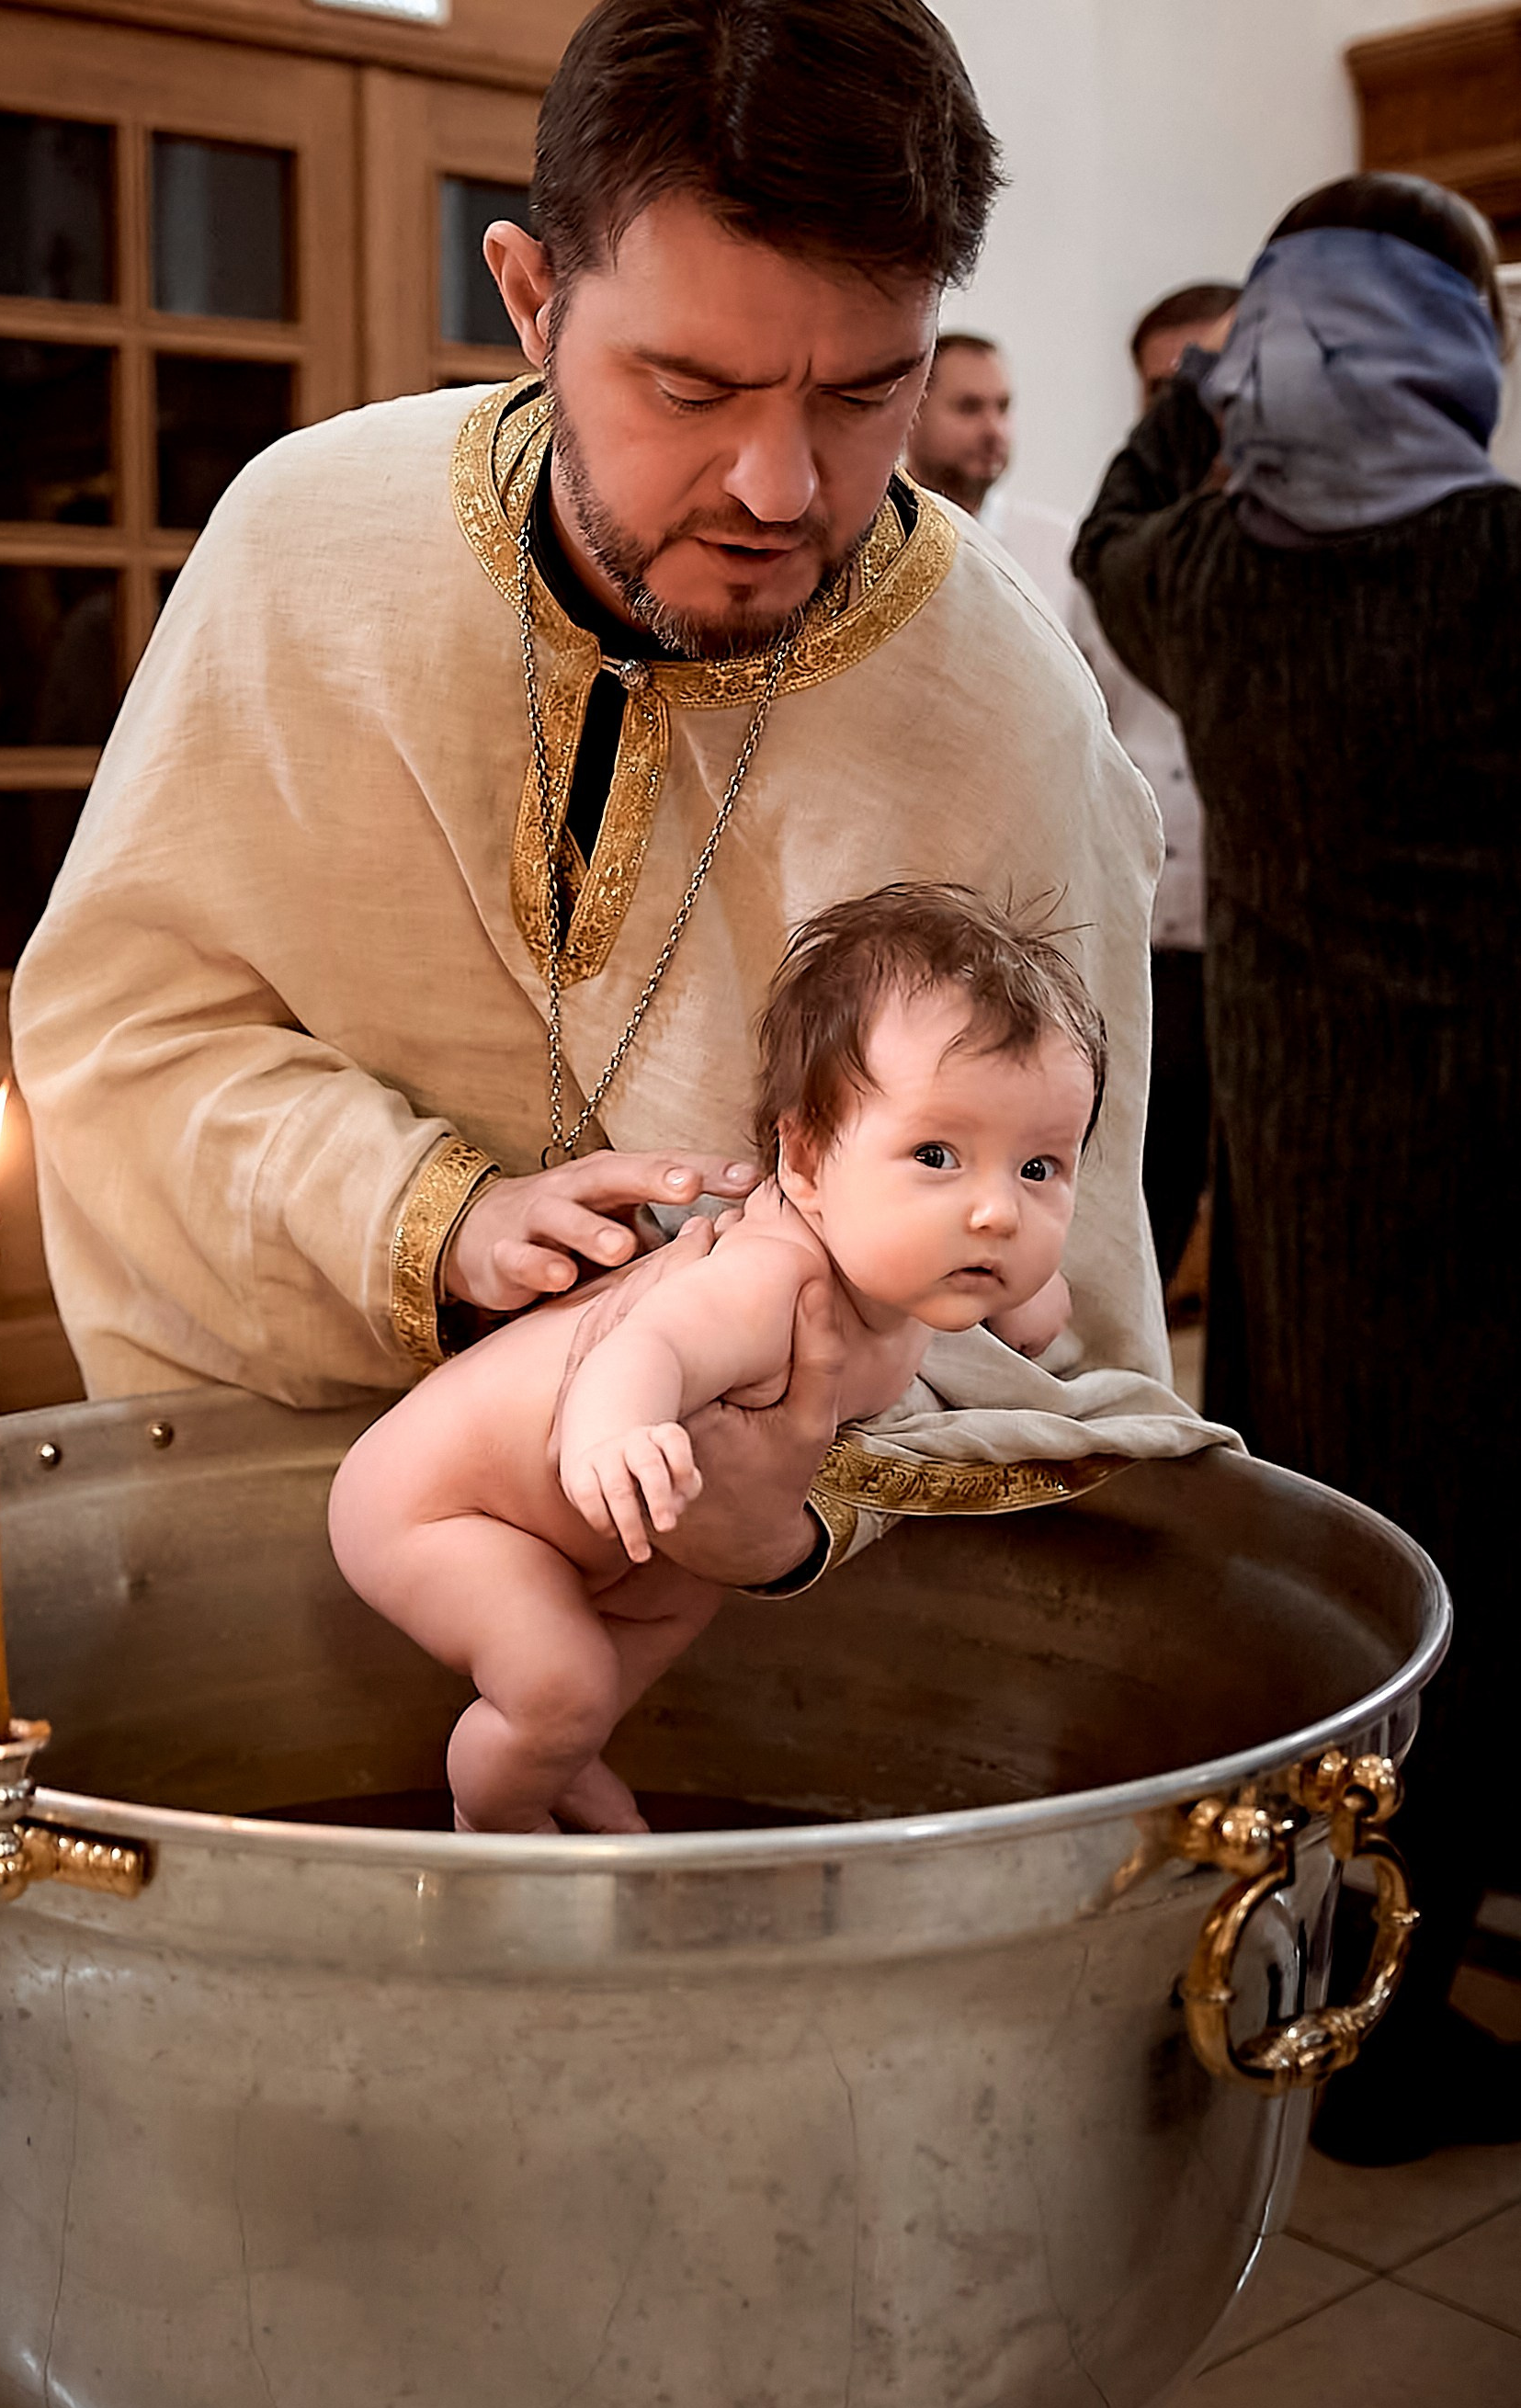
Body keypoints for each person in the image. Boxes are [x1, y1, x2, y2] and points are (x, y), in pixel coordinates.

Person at [16, 0, 1209, 2408]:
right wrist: (429, 1222)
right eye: (686, 384)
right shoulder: (308, 557)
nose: (779, 488)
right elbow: (126, 1041)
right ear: (528, 297)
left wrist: (871, 1466)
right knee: (329, 2380)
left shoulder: (998, 712)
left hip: (789, 1695)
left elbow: (1054, 1308)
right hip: (356, 1604)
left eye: (859, 390)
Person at [1073, 171, 1521, 2168]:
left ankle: (1339, 1964)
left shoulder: (1208, 585)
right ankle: (1397, 2040)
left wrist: (1222, 392)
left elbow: (1104, 521)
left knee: (1368, 1571)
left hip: (1306, 1175)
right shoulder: (1504, 559)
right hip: (1500, 1159)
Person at [334, 887, 1119, 1834]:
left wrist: (1028, 1293)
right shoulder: (768, 1283)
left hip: (597, 1538)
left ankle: (560, 1759)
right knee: (561, 1681)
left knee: (674, 1598)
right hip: (440, 1506)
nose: (996, 1212)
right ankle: (495, 1828)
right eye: (938, 1156)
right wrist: (612, 1430)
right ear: (807, 1158)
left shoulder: (922, 1262)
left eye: (1039, 1168)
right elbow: (649, 1345)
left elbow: (1018, 1292)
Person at [1067, 283, 1238, 1290]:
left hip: (1265, 936)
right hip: (1141, 938)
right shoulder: (1113, 563)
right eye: (1164, 390)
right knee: (1142, 1200)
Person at [902, 329, 1012, 517]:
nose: (994, 430)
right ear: (911, 414)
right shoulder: (861, 534)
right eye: (969, 407)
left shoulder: (1051, 542)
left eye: (1002, 407)